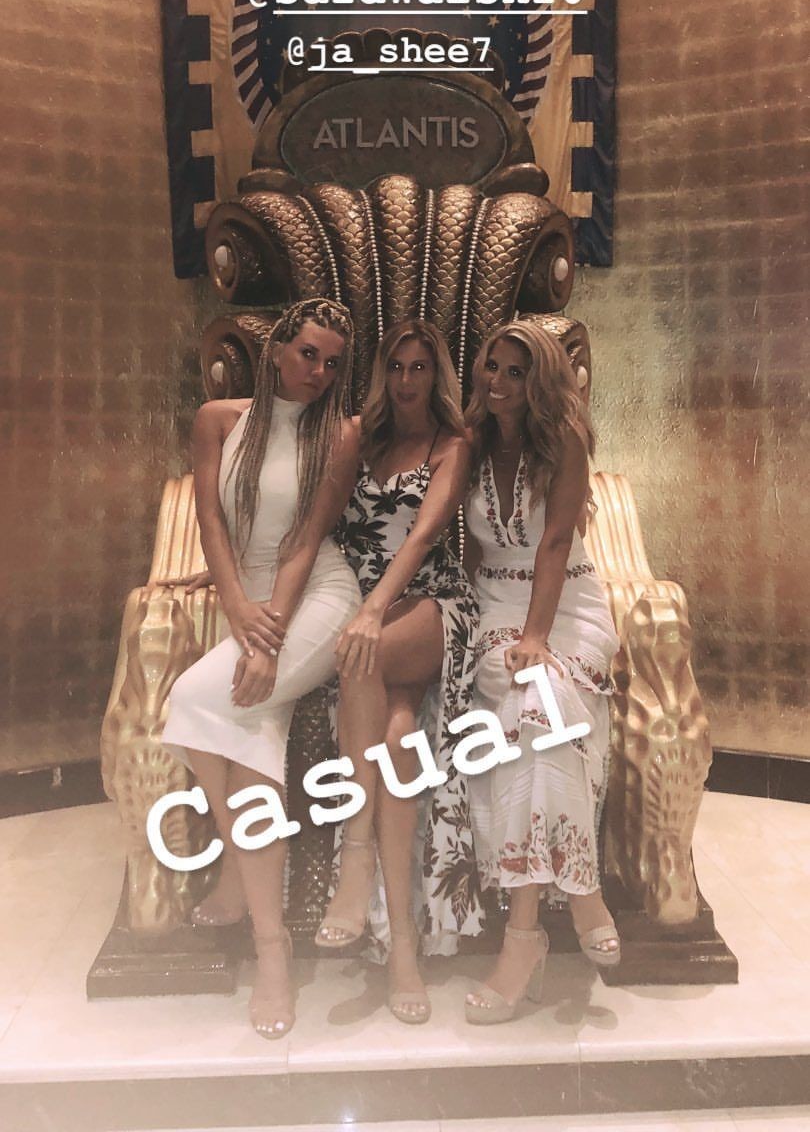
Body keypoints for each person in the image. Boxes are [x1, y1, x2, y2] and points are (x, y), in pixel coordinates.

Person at [162, 298, 361, 1040]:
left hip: (314, 599)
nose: (320, 372)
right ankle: (267, 934)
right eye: (309, 354)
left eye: (333, 363)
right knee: (238, 731)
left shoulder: (337, 434)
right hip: (249, 604)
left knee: (203, 700)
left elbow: (306, 539)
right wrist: (235, 606)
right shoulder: (218, 420)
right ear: (276, 349)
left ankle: (257, 923)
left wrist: (268, 636)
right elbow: (213, 521)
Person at [315, 319, 481, 1023]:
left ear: (436, 374)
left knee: (363, 652)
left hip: (432, 606)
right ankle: (403, 950)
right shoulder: (360, 439)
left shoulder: (452, 444)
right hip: (368, 613)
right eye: (396, 367)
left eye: (420, 367)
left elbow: (421, 537)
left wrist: (372, 611)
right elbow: (317, 521)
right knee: (398, 740)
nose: (407, 380)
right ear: (382, 375)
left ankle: (355, 862)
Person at [462, 319, 620, 1024]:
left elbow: (556, 541)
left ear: (541, 380)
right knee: (539, 702)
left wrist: (536, 636)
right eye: (491, 366)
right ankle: (583, 893)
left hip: (568, 604)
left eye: (516, 371)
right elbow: (468, 546)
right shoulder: (469, 440)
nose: (498, 381)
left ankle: (522, 937)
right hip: (496, 601)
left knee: (539, 698)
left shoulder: (565, 441)